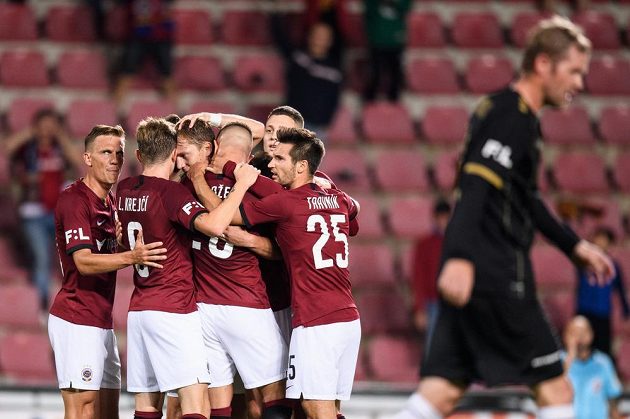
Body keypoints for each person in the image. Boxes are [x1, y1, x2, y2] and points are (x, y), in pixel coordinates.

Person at [395, 16, 615, 419]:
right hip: (497, 272)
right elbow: (475, 186)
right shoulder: (510, 117)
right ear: (543, 64)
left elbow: (525, 197)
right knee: (556, 390)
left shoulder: (511, 115)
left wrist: (573, 245)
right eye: (575, 71)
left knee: (439, 393)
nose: (580, 84)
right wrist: (458, 256)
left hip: (480, 272)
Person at [195, 127, 361, 419]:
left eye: (280, 159)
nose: (271, 164)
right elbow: (354, 211)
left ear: (301, 166)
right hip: (348, 319)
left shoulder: (285, 204)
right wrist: (235, 167)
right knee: (330, 408)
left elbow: (223, 217)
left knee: (315, 407)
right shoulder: (339, 199)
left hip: (316, 322)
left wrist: (200, 180)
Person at [116, 117, 260, 419]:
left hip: (140, 310)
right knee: (195, 404)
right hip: (173, 308)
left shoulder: (125, 188)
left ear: (139, 155)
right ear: (171, 155)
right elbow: (216, 225)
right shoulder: (171, 193)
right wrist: (241, 187)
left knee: (146, 405)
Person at [49, 124, 167, 419]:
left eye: (118, 153)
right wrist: (132, 255)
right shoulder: (75, 199)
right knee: (83, 410)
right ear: (87, 158)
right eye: (105, 152)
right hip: (77, 319)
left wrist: (118, 243)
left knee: (107, 411)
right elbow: (84, 262)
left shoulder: (110, 202)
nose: (114, 159)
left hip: (101, 320)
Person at [180, 121, 291, 419]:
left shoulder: (189, 182)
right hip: (246, 304)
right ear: (250, 156)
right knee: (275, 393)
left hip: (203, 307)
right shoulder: (258, 190)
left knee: (219, 401)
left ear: (214, 147)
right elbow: (281, 252)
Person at [6, 108, 83, 310]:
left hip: (60, 213)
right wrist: (31, 132)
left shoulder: (60, 148)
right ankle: (42, 308)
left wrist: (60, 136)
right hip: (33, 214)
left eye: (52, 126)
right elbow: (7, 147)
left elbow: (78, 160)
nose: (47, 130)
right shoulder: (27, 148)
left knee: (74, 258)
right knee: (42, 259)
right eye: (44, 125)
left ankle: (74, 304)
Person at [271, 8, 343, 139]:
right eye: (317, 34)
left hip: (316, 128)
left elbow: (334, 98)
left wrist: (327, 122)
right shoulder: (298, 57)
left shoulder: (334, 69)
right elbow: (280, 38)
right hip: (291, 122)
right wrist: (275, 12)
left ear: (330, 40)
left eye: (324, 36)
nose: (319, 39)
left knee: (308, 160)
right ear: (309, 35)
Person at [575, 226, 629, 359]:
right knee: (582, 347)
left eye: (604, 240)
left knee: (604, 349)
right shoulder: (583, 262)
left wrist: (626, 312)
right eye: (598, 239)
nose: (600, 242)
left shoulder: (613, 266)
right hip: (584, 311)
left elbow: (620, 290)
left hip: (602, 313)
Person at [113, 0, 176, 105]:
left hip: (161, 38)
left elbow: (168, 14)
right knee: (126, 74)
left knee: (167, 77)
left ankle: (178, 115)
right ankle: (115, 111)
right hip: (137, 37)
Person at [563, 316, 623, 419]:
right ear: (565, 336)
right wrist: (570, 356)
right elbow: (553, 391)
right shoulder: (558, 362)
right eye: (574, 333)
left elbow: (612, 398)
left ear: (591, 334)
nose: (579, 337)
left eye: (583, 332)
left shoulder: (603, 362)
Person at [410, 199, 451, 342]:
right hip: (432, 303)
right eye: (440, 217)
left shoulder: (455, 243)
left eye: (446, 217)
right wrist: (419, 307)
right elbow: (418, 277)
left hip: (453, 303)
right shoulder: (425, 245)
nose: (443, 221)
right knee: (432, 346)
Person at [363, 0, 412, 102]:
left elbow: (406, 7)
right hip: (377, 40)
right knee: (374, 75)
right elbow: (368, 9)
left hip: (395, 41)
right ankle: (369, 105)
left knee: (396, 76)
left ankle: (394, 107)